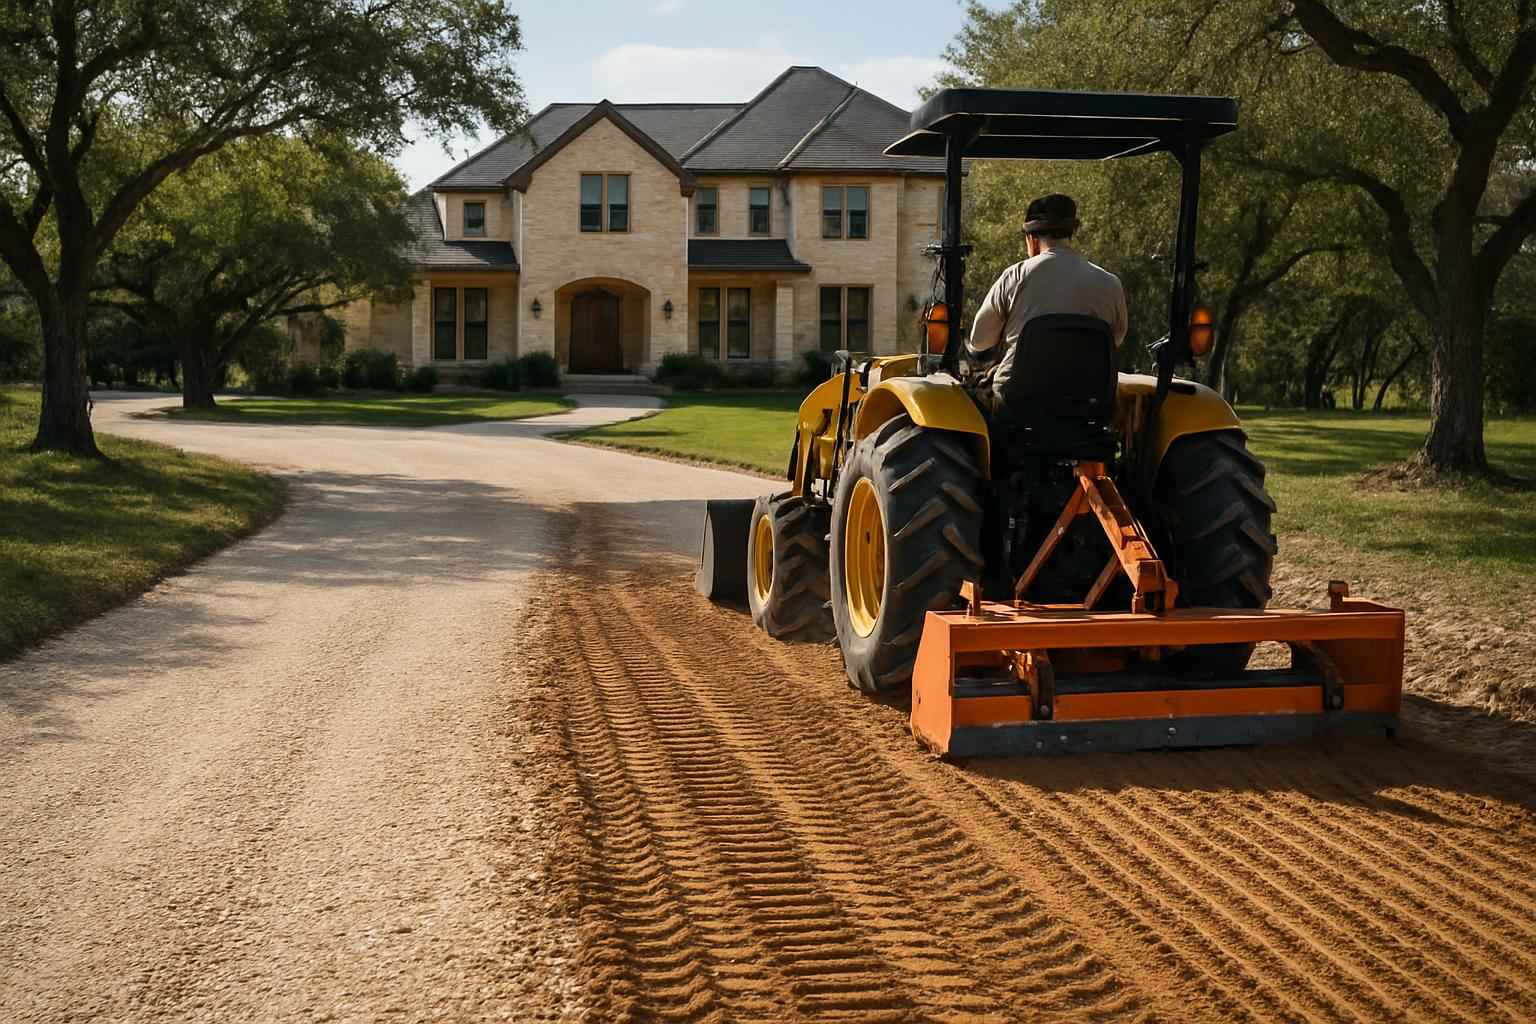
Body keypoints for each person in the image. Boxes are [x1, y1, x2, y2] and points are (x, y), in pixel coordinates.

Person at [965, 193, 1128, 402]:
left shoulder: (1015, 276)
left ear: (1032, 239)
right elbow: (1115, 339)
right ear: (1071, 234)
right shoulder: (1110, 283)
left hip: (1018, 402)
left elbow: (980, 342)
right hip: (1085, 403)